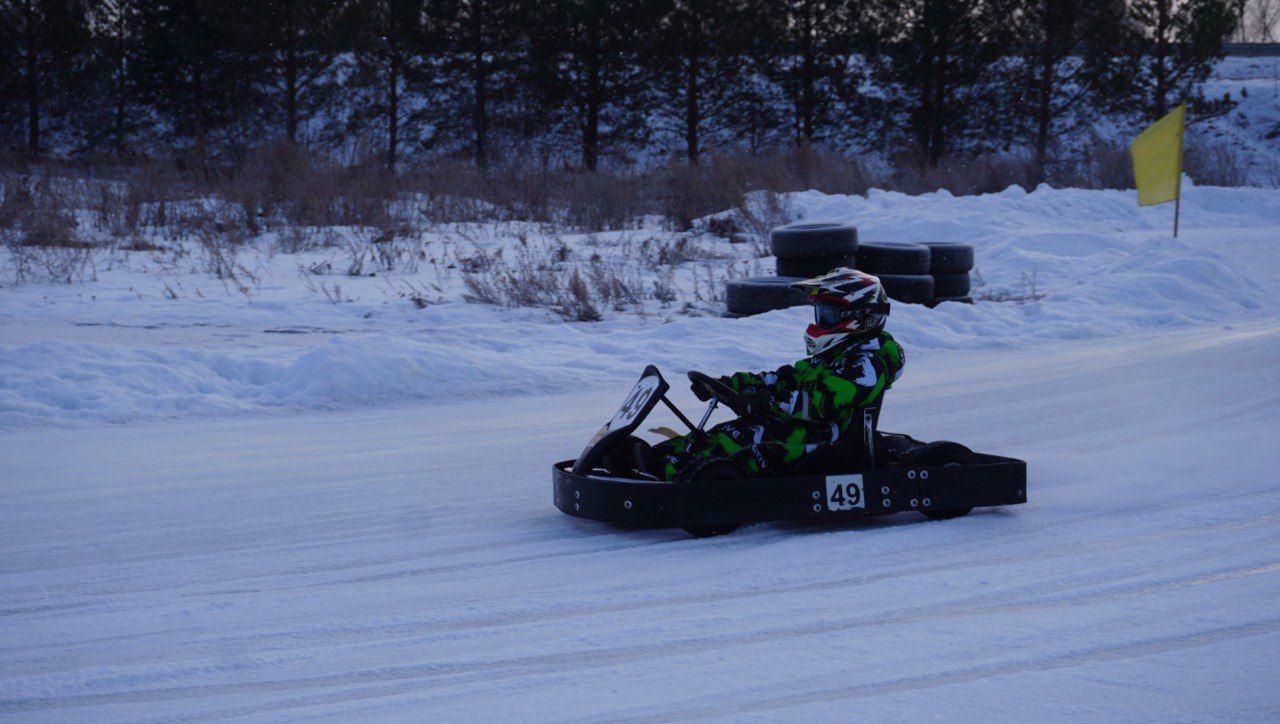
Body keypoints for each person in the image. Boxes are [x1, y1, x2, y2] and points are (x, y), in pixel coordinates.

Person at [653, 268, 905, 480]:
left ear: (859, 316)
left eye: (828, 314)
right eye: (821, 312)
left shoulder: (869, 363)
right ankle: (649, 459)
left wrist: (767, 402)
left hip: (826, 443)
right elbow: (781, 379)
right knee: (726, 432)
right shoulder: (832, 357)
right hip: (800, 431)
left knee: (745, 445)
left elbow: (824, 403)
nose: (820, 321)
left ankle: (671, 477)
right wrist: (731, 385)